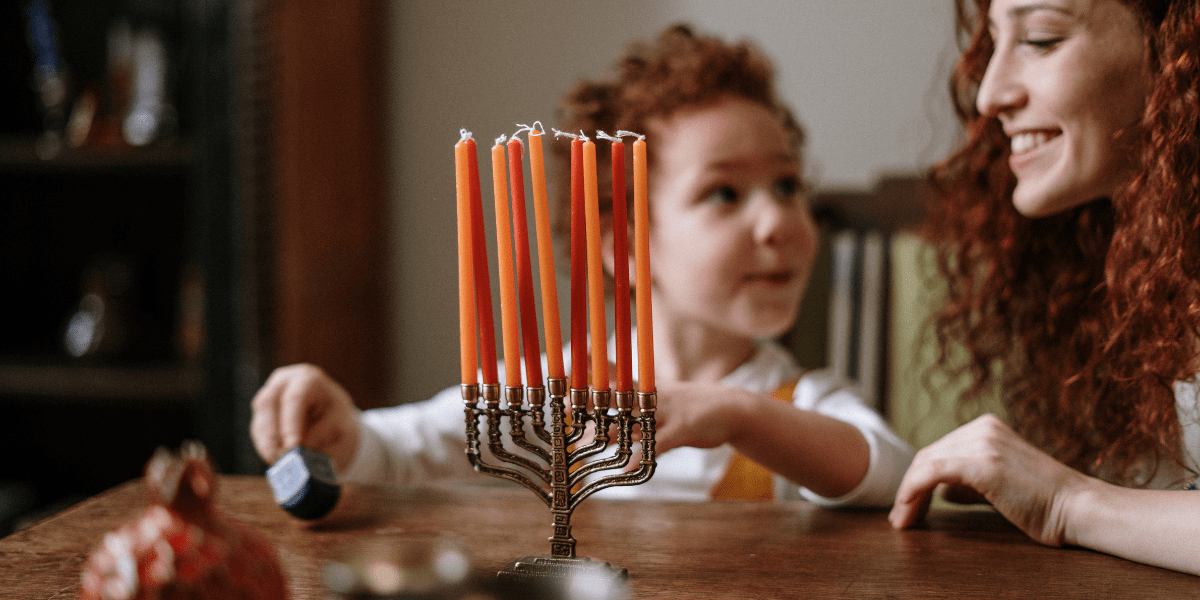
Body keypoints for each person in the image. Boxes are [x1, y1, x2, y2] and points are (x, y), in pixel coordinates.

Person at [251, 24, 913, 507]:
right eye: (725, 193)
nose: (778, 221)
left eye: (789, 186)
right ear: (623, 246)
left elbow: (888, 472)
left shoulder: (794, 405)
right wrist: (343, 432)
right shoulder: (560, 393)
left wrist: (736, 414)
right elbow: (406, 449)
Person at [888, 0, 1200, 575]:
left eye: (1041, 39)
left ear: (1178, 46)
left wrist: (1066, 501)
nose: (989, 95)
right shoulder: (1139, 264)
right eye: (991, 44)